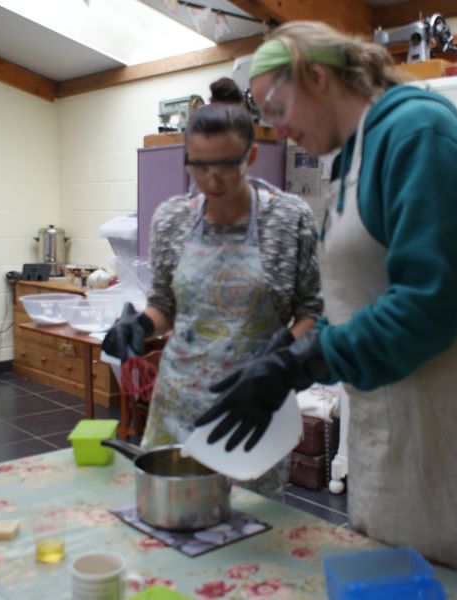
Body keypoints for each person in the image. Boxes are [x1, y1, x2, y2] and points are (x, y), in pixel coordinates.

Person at [194, 22, 457, 597]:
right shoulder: (353, 157)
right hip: (404, 395)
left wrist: (304, 363)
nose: (277, 127)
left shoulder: (418, 134)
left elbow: (427, 300)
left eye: (278, 105)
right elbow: (368, 293)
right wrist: (290, 347)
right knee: (398, 572)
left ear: (317, 75)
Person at [102, 78, 323, 496]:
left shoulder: (289, 220)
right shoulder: (171, 219)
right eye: (198, 166)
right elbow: (164, 304)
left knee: (247, 541)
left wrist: (280, 358)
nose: (212, 179)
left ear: (251, 156)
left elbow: (312, 312)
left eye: (225, 165)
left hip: (253, 406)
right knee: (169, 521)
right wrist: (140, 327)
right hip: (178, 405)